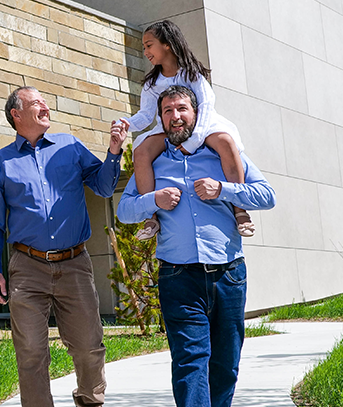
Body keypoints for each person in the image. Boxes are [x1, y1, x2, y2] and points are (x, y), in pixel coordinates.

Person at [116, 85, 276, 407]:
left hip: (229, 276)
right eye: (167, 111)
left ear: (196, 113)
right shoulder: (155, 164)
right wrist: (153, 200)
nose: (175, 117)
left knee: (225, 365)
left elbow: (267, 196)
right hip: (178, 277)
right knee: (190, 363)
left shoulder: (224, 155)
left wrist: (223, 189)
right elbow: (124, 210)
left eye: (181, 109)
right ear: (161, 120)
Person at [0, 86, 124, 407]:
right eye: (36, 103)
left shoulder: (69, 146)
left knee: (89, 345)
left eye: (46, 101)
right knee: (31, 350)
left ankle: (90, 400)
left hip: (74, 263)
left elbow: (102, 186)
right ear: (16, 115)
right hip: (26, 267)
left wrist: (113, 152)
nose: (45, 106)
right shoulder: (1, 163)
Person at [112, 20, 255, 240]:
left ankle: (240, 209)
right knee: (140, 151)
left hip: (203, 125)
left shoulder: (192, 74)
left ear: (167, 44)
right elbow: (146, 116)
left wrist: (195, 139)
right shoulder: (152, 83)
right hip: (167, 128)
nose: (145, 51)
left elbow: (206, 106)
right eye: (143, 47)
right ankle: (152, 217)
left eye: (149, 45)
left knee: (226, 142)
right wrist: (126, 124)